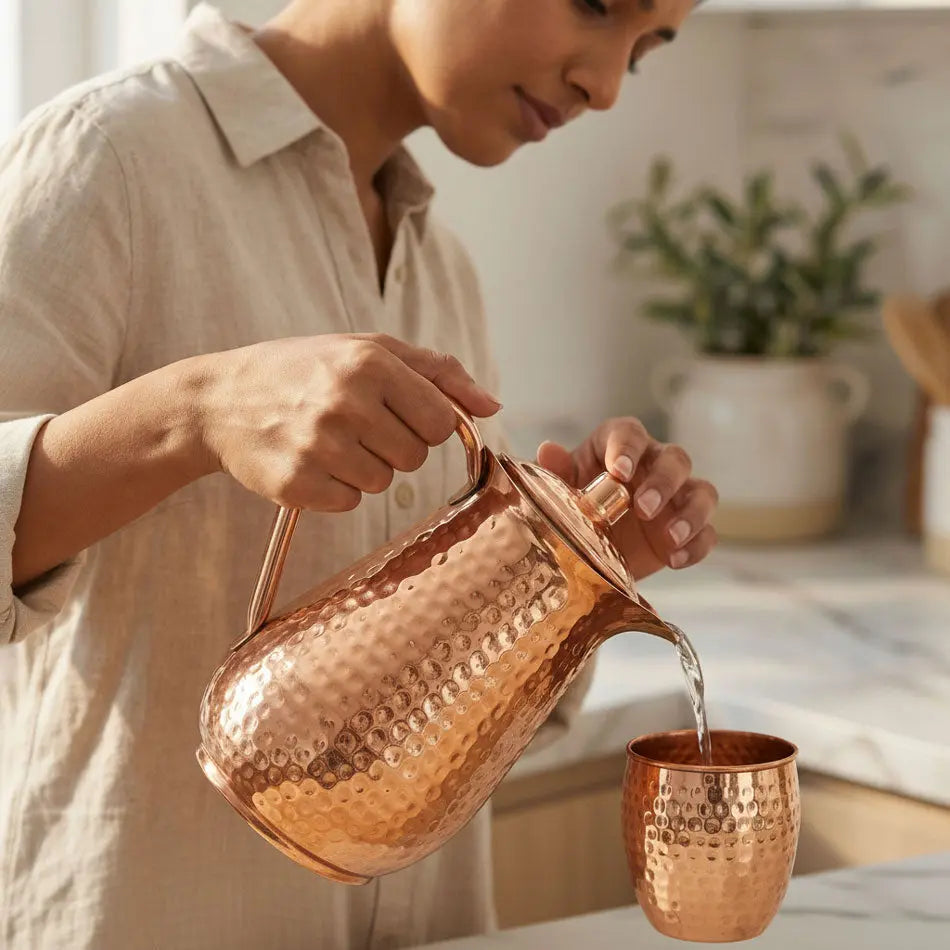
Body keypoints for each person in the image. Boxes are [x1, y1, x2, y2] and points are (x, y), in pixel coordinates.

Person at [0, 1, 716, 947]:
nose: (608, 84)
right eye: (595, 4)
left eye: (646, 50)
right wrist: (197, 409)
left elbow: (435, 717)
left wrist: (574, 566)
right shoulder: (111, 157)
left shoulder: (440, 266)